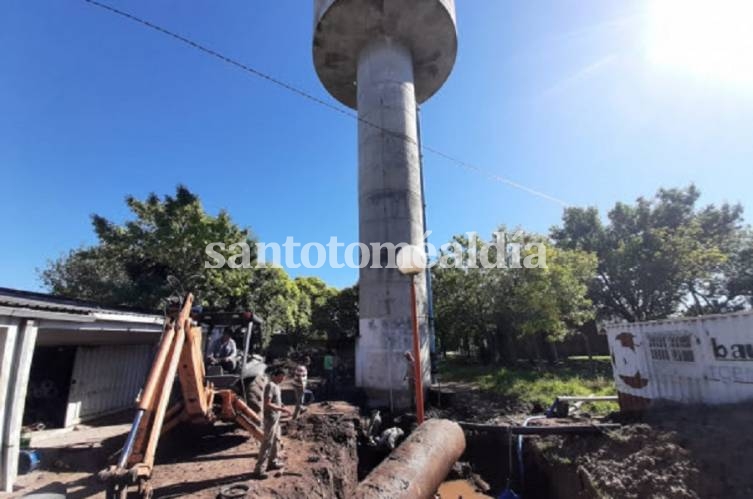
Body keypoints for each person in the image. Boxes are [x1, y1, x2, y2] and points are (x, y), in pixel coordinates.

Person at [253, 367, 292, 478]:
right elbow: (267, 404)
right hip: (270, 419)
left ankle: (273, 462)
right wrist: (282, 409)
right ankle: (259, 469)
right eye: (281, 377)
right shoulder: (270, 386)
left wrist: (281, 405)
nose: (282, 380)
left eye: (283, 378)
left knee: (276, 441)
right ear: (276, 375)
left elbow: (276, 400)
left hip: (276, 419)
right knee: (267, 443)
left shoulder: (277, 386)